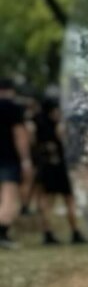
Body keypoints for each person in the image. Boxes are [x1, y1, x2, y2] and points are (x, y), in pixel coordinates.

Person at [31, 95, 87, 246]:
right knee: (68, 199)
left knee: (46, 201)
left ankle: (48, 233)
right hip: (60, 166)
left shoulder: (35, 123)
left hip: (45, 165)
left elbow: (33, 144)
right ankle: (74, 232)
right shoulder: (59, 125)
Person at [0, 79, 32, 249]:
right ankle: (2, 233)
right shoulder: (12, 108)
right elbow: (19, 134)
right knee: (9, 197)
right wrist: (26, 160)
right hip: (8, 158)